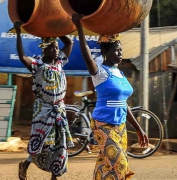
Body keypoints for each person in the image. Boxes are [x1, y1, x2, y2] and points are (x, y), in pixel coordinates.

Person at [71, 14, 149, 180]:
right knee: (119, 162)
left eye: (121, 49)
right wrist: (78, 26)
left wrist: (137, 127)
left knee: (105, 162)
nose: (120, 53)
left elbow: (123, 103)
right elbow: (85, 53)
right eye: (116, 50)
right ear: (106, 51)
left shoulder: (119, 73)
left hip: (120, 126)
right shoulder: (99, 73)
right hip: (103, 124)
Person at [14, 21, 74, 180]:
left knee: (60, 144)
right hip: (43, 110)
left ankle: (54, 176)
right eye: (51, 48)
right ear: (44, 50)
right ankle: (25, 164)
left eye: (56, 47)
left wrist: (56, 27)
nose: (55, 50)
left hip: (59, 109)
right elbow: (21, 56)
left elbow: (69, 42)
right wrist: (19, 33)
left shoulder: (61, 61)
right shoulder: (37, 64)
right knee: (43, 144)